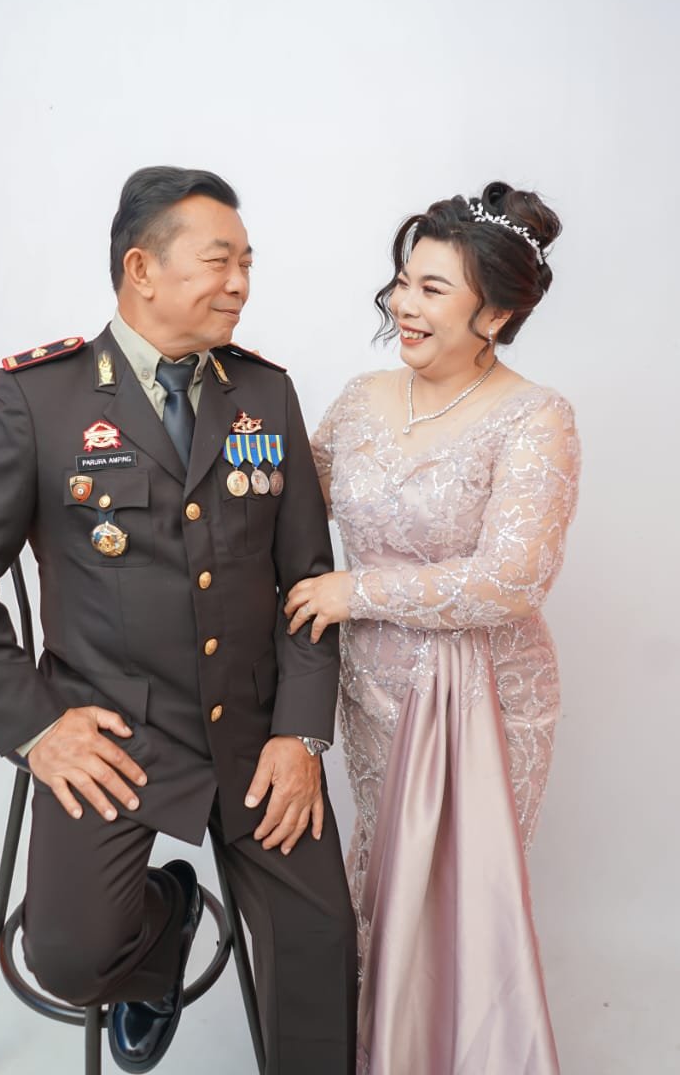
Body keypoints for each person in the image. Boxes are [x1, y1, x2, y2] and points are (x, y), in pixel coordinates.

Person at [0, 166, 357, 1075]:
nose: (239, 283)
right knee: (71, 956)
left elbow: (308, 583)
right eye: (219, 260)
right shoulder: (42, 397)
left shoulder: (264, 393)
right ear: (141, 269)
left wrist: (301, 734)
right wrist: (38, 727)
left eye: (247, 263)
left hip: (256, 733)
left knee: (319, 949)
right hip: (116, 733)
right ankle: (169, 918)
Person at [285, 182, 580, 1075]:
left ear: (493, 314)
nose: (402, 304)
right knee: (379, 883)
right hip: (371, 690)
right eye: (402, 282)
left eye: (432, 289)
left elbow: (512, 577)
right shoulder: (360, 398)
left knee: (456, 900)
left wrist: (356, 590)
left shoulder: (535, 416)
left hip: (484, 695)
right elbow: (284, 509)